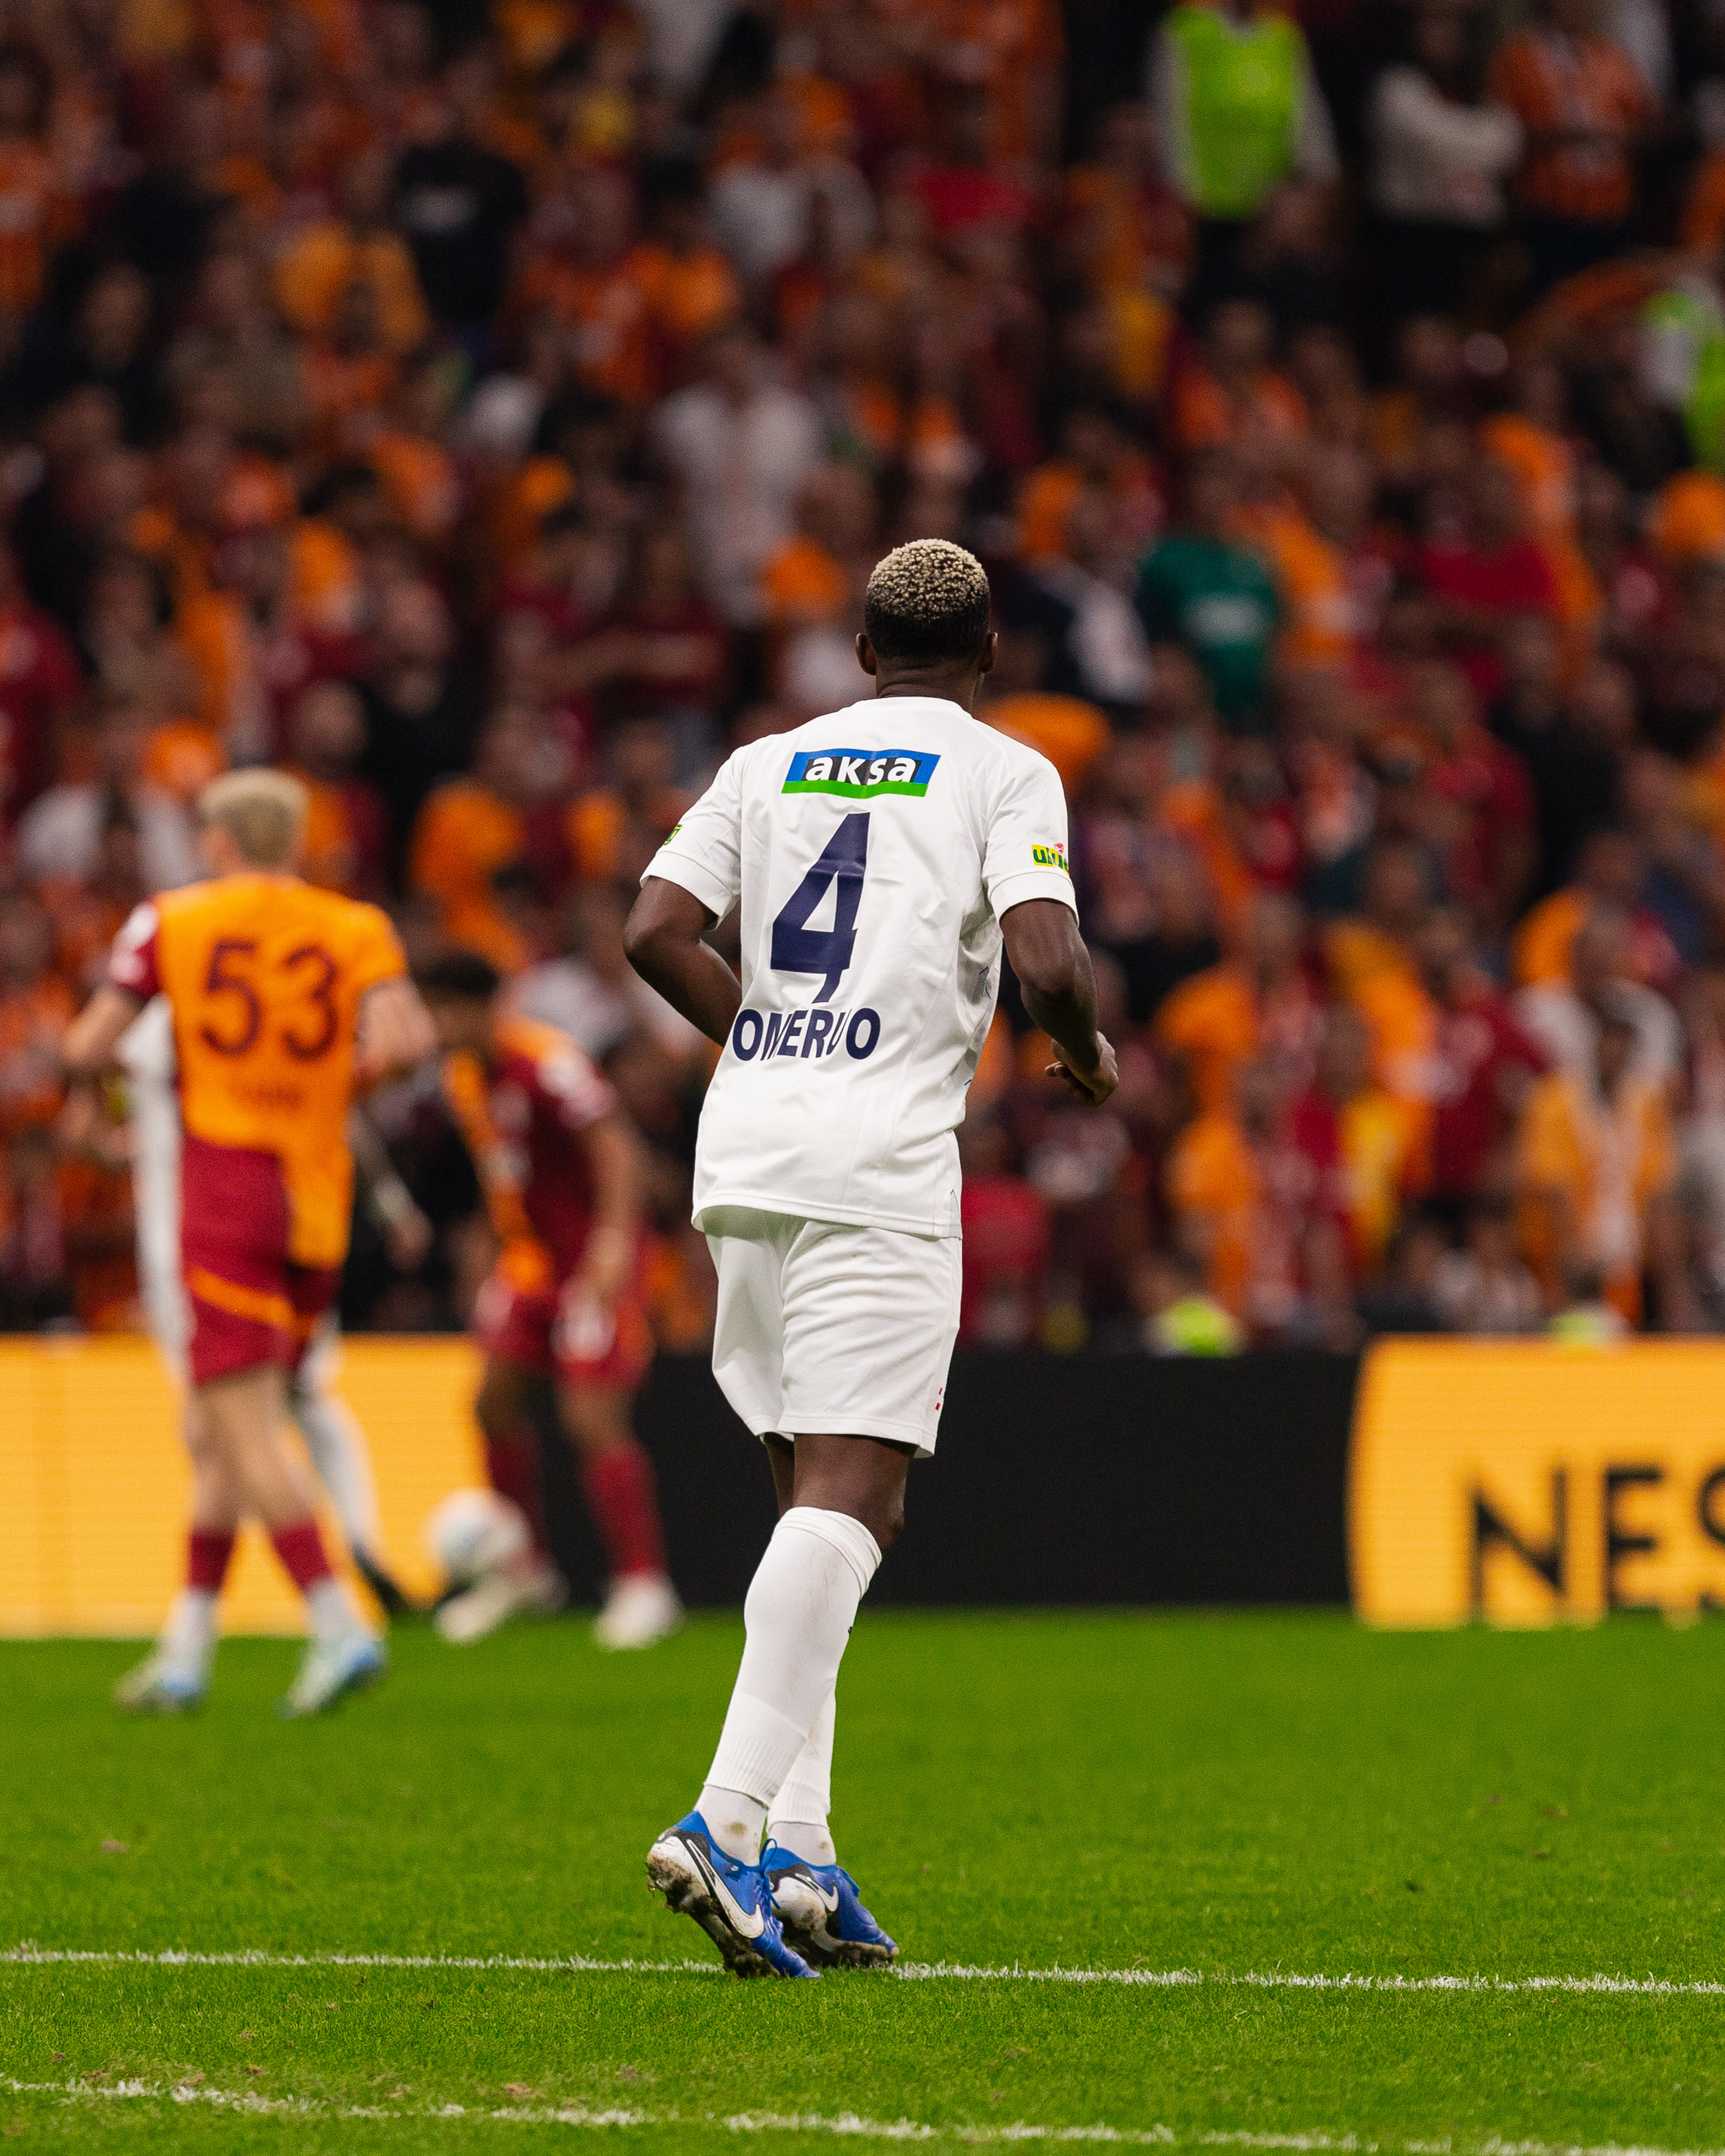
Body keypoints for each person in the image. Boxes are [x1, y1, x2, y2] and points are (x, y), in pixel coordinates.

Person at [623, 538, 1118, 1977]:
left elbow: (653, 930)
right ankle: (724, 1822)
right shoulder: (1004, 770)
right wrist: (1084, 1053)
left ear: (859, 652)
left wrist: (767, 1039)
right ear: (991, 653)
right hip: (875, 1156)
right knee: (857, 1494)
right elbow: (1047, 961)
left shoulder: (765, 761)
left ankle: (800, 1852)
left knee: (810, 1499)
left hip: (748, 1146)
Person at [61, 770, 436, 1715]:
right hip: (316, 1198)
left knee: (241, 1423)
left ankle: (336, 1622)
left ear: (218, 841)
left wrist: (104, 1107)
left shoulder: (172, 920)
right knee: (218, 1429)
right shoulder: (354, 925)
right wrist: (325, 1086)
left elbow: (86, 1046)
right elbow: (406, 1043)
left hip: (223, 1191)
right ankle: (185, 1651)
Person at [112, 994, 423, 1621]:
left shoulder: (157, 1026)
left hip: (203, 1246)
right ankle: (353, 1552)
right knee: (290, 1405)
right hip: (296, 1229)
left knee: (224, 1428)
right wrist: (391, 1203)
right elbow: (351, 1100)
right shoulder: (264, 1012)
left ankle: (325, 1612)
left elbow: (92, 1064)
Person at [417, 949, 683, 1651]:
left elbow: (617, 1150)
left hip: (592, 1259)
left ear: (482, 1008)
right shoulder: (463, 1077)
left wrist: (613, 1244)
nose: (435, 1026)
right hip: (531, 1266)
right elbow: (504, 1173)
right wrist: (491, 1251)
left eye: (443, 1011)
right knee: (490, 1405)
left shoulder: (547, 1061)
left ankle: (644, 1584)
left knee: (591, 1417)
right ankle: (524, 1573)